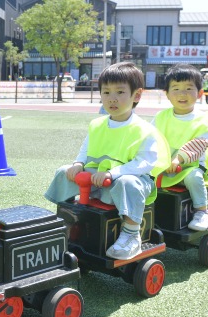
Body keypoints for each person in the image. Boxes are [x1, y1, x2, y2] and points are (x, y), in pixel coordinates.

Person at [44, 62, 169, 260]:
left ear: (136, 95)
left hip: (129, 181)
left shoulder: (144, 130)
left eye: (120, 92)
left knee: (127, 183)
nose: (112, 99)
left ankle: (131, 234)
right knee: (63, 171)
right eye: (106, 92)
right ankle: (65, 219)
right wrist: (78, 164)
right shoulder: (97, 124)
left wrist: (113, 173)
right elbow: (86, 149)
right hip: (96, 181)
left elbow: (145, 163)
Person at [152, 64, 208, 231]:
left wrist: (178, 159)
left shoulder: (203, 121)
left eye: (189, 88)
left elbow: (198, 145)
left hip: (189, 166)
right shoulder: (161, 117)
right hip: (163, 165)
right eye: (176, 88)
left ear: (200, 93)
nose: (182, 93)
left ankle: (201, 211)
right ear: (167, 94)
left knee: (194, 177)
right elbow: (150, 138)